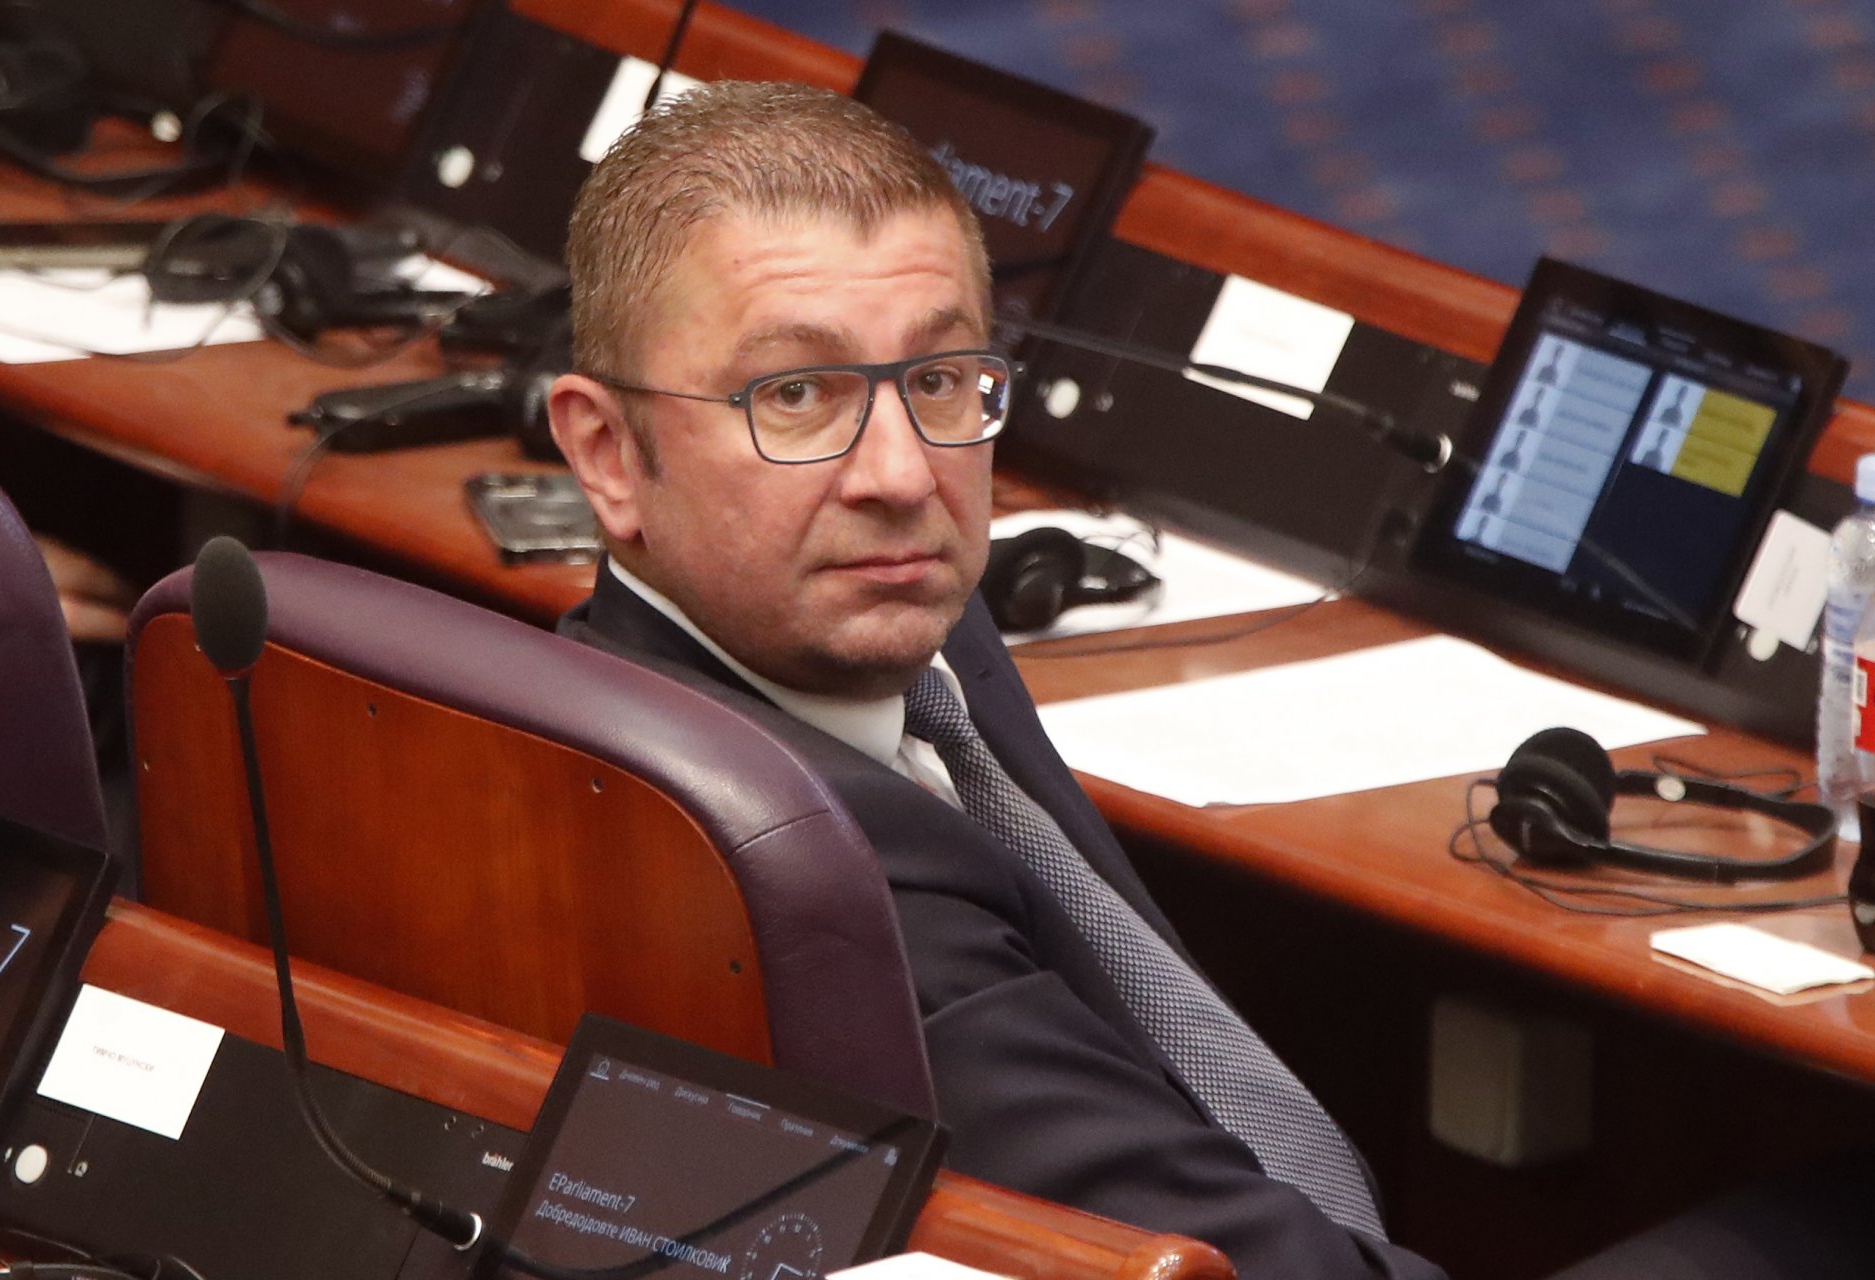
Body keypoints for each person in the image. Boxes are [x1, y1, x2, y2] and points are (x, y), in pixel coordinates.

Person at [545, 80, 1873, 1280]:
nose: (900, 475)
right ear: (605, 453)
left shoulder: (851, 639)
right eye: (796, 396)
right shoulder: (820, 876)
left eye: (941, 380)